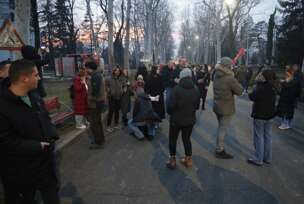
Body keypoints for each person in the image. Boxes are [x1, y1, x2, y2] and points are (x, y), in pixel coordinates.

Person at [0, 59, 60, 204]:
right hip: (21, 169)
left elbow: (44, 117)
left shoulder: (34, 95)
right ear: (24, 78)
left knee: (52, 195)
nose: (39, 78)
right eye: (36, 75)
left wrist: (51, 134)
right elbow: (4, 140)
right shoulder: (3, 105)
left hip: (45, 163)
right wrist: (36, 146)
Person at [166, 68, 200, 169]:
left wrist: (171, 113)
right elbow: (197, 106)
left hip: (176, 119)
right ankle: (188, 160)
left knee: (173, 139)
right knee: (187, 139)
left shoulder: (176, 89)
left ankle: (172, 160)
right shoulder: (196, 89)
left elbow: (170, 106)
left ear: (181, 77)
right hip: (190, 120)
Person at [213, 57, 243, 159]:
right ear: (228, 66)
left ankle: (219, 147)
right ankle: (219, 150)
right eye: (231, 65)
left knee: (220, 128)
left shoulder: (216, 75)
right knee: (222, 129)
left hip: (217, 106)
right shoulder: (230, 78)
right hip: (226, 108)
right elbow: (239, 91)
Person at [248, 69, 277, 166]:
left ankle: (258, 158)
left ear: (264, 77)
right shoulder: (273, 86)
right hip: (270, 115)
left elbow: (251, 96)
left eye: (261, 74)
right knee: (268, 136)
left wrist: (256, 82)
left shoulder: (260, 87)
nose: (259, 75)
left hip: (260, 115)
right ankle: (267, 157)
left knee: (259, 136)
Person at [85, 61, 106, 149]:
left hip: (95, 103)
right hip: (98, 102)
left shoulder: (95, 76)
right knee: (98, 122)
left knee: (94, 123)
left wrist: (90, 98)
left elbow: (96, 91)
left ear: (90, 68)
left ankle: (98, 142)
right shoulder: (97, 75)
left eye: (86, 68)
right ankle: (101, 139)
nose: (86, 70)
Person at [106, 67, 124, 132]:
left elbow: (123, 85)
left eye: (118, 71)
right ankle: (108, 126)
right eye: (116, 71)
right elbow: (106, 85)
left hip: (119, 97)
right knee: (111, 111)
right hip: (111, 97)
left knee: (117, 111)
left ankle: (116, 124)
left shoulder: (120, 78)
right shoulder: (109, 78)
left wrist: (122, 90)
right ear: (113, 71)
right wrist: (109, 91)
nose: (117, 72)